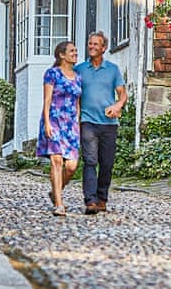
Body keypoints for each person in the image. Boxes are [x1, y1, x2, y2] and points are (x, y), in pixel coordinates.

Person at [75, 31, 127, 215]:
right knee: (90, 160)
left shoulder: (112, 70)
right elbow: (75, 97)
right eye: (90, 43)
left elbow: (122, 94)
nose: (92, 47)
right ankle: (90, 200)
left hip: (109, 124)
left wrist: (117, 105)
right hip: (88, 122)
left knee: (107, 163)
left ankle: (102, 198)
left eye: (96, 44)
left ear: (104, 48)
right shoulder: (80, 69)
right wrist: (75, 120)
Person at [36, 41, 82, 217]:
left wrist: (77, 123)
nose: (75, 53)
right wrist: (47, 123)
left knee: (71, 167)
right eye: (72, 51)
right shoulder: (52, 74)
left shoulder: (78, 77)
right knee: (57, 161)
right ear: (62, 55)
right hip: (54, 120)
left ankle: (55, 192)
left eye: (75, 51)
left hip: (70, 125)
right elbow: (47, 100)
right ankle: (59, 204)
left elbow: (77, 103)